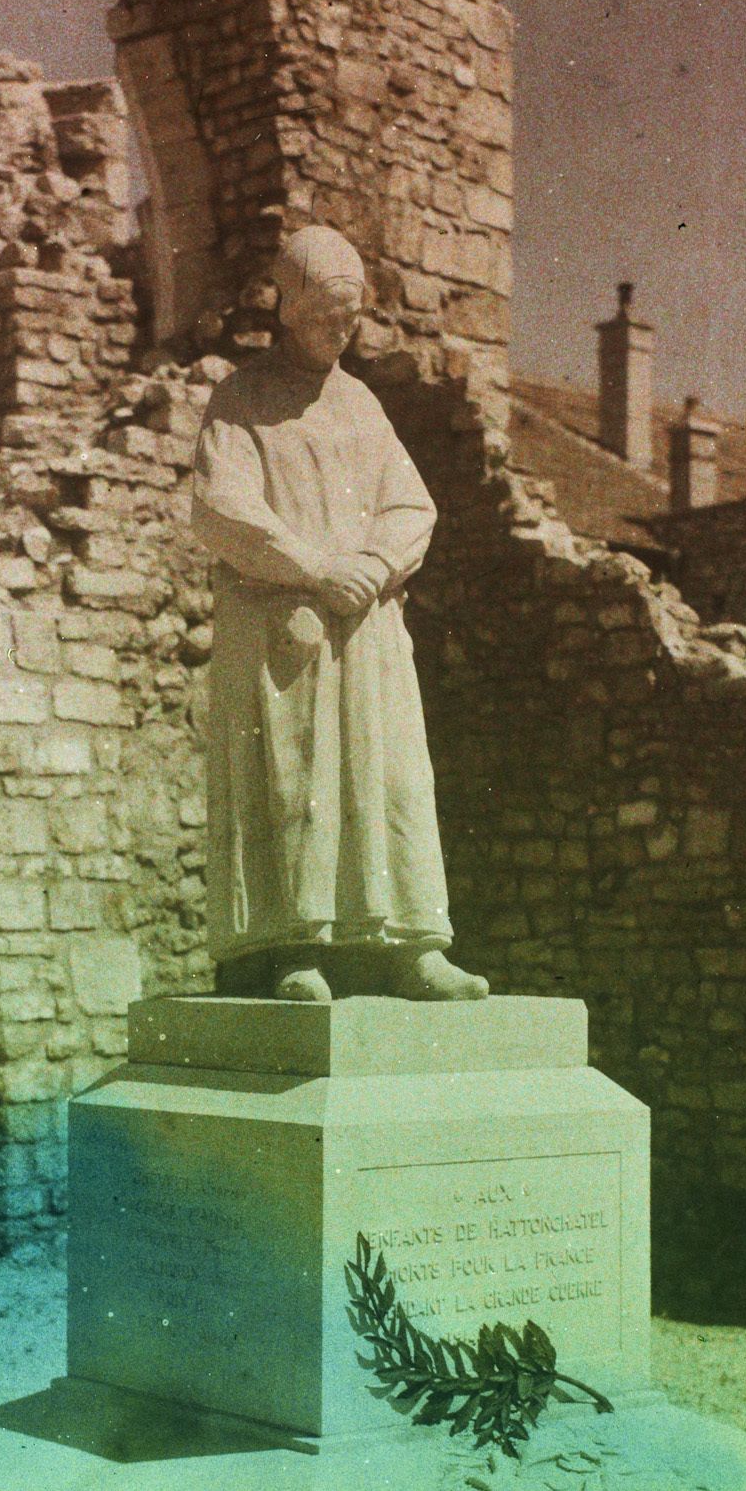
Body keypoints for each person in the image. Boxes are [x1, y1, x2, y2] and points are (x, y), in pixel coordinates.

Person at [189, 224, 489, 1004]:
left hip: (367, 630)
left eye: (350, 315)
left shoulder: (359, 402)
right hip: (286, 629)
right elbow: (220, 508)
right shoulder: (242, 399)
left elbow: (410, 505)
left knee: (388, 782)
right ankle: (295, 948)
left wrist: (372, 566)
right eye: (326, 313)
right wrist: (316, 567)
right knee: (295, 781)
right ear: (287, 309)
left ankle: (410, 947)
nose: (340, 329)